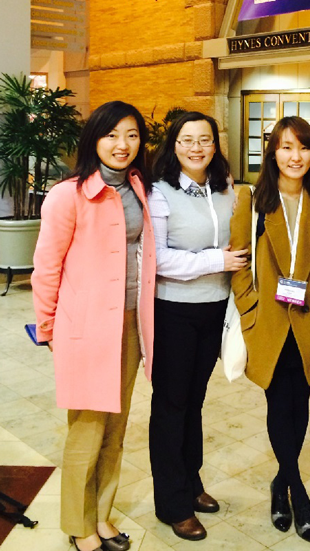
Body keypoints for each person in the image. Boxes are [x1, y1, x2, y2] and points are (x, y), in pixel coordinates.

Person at [32, 101, 156, 551]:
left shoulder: (140, 186)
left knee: (116, 429)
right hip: (84, 328)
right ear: (94, 140)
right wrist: (47, 327)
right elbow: (46, 266)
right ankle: (78, 524)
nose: (122, 145)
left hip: (129, 324)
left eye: (132, 135)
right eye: (112, 135)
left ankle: (102, 516)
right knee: (86, 431)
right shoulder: (68, 195)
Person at [230, 116, 310, 544]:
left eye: (304, 147)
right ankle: (296, 491)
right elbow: (238, 260)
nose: (296, 157)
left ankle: (282, 482)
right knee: (279, 402)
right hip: (269, 320)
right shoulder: (251, 200)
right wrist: (250, 309)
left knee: (301, 403)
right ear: (272, 152)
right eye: (287, 147)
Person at [148, 111, 247, 542]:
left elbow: (239, 241)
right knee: (171, 405)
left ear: (215, 144)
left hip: (215, 310)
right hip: (173, 311)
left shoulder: (226, 190)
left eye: (204, 140)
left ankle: (192, 483)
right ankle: (172, 502)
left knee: (195, 400)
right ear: (174, 145)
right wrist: (217, 260)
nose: (196, 148)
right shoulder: (160, 193)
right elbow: (159, 259)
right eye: (187, 140)